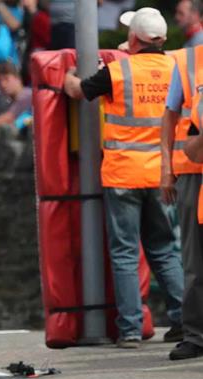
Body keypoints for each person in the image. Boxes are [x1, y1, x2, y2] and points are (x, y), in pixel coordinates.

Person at [64, 8, 184, 349]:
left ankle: (130, 330)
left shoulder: (118, 71)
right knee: (165, 251)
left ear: (134, 39)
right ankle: (184, 321)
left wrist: (66, 75)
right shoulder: (176, 68)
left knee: (125, 254)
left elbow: (78, 90)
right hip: (164, 176)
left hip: (123, 175)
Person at [161, 42, 203, 359]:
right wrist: (166, 170)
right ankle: (196, 335)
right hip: (193, 171)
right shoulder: (188, 61)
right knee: (194, 259)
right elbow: (171, 115)